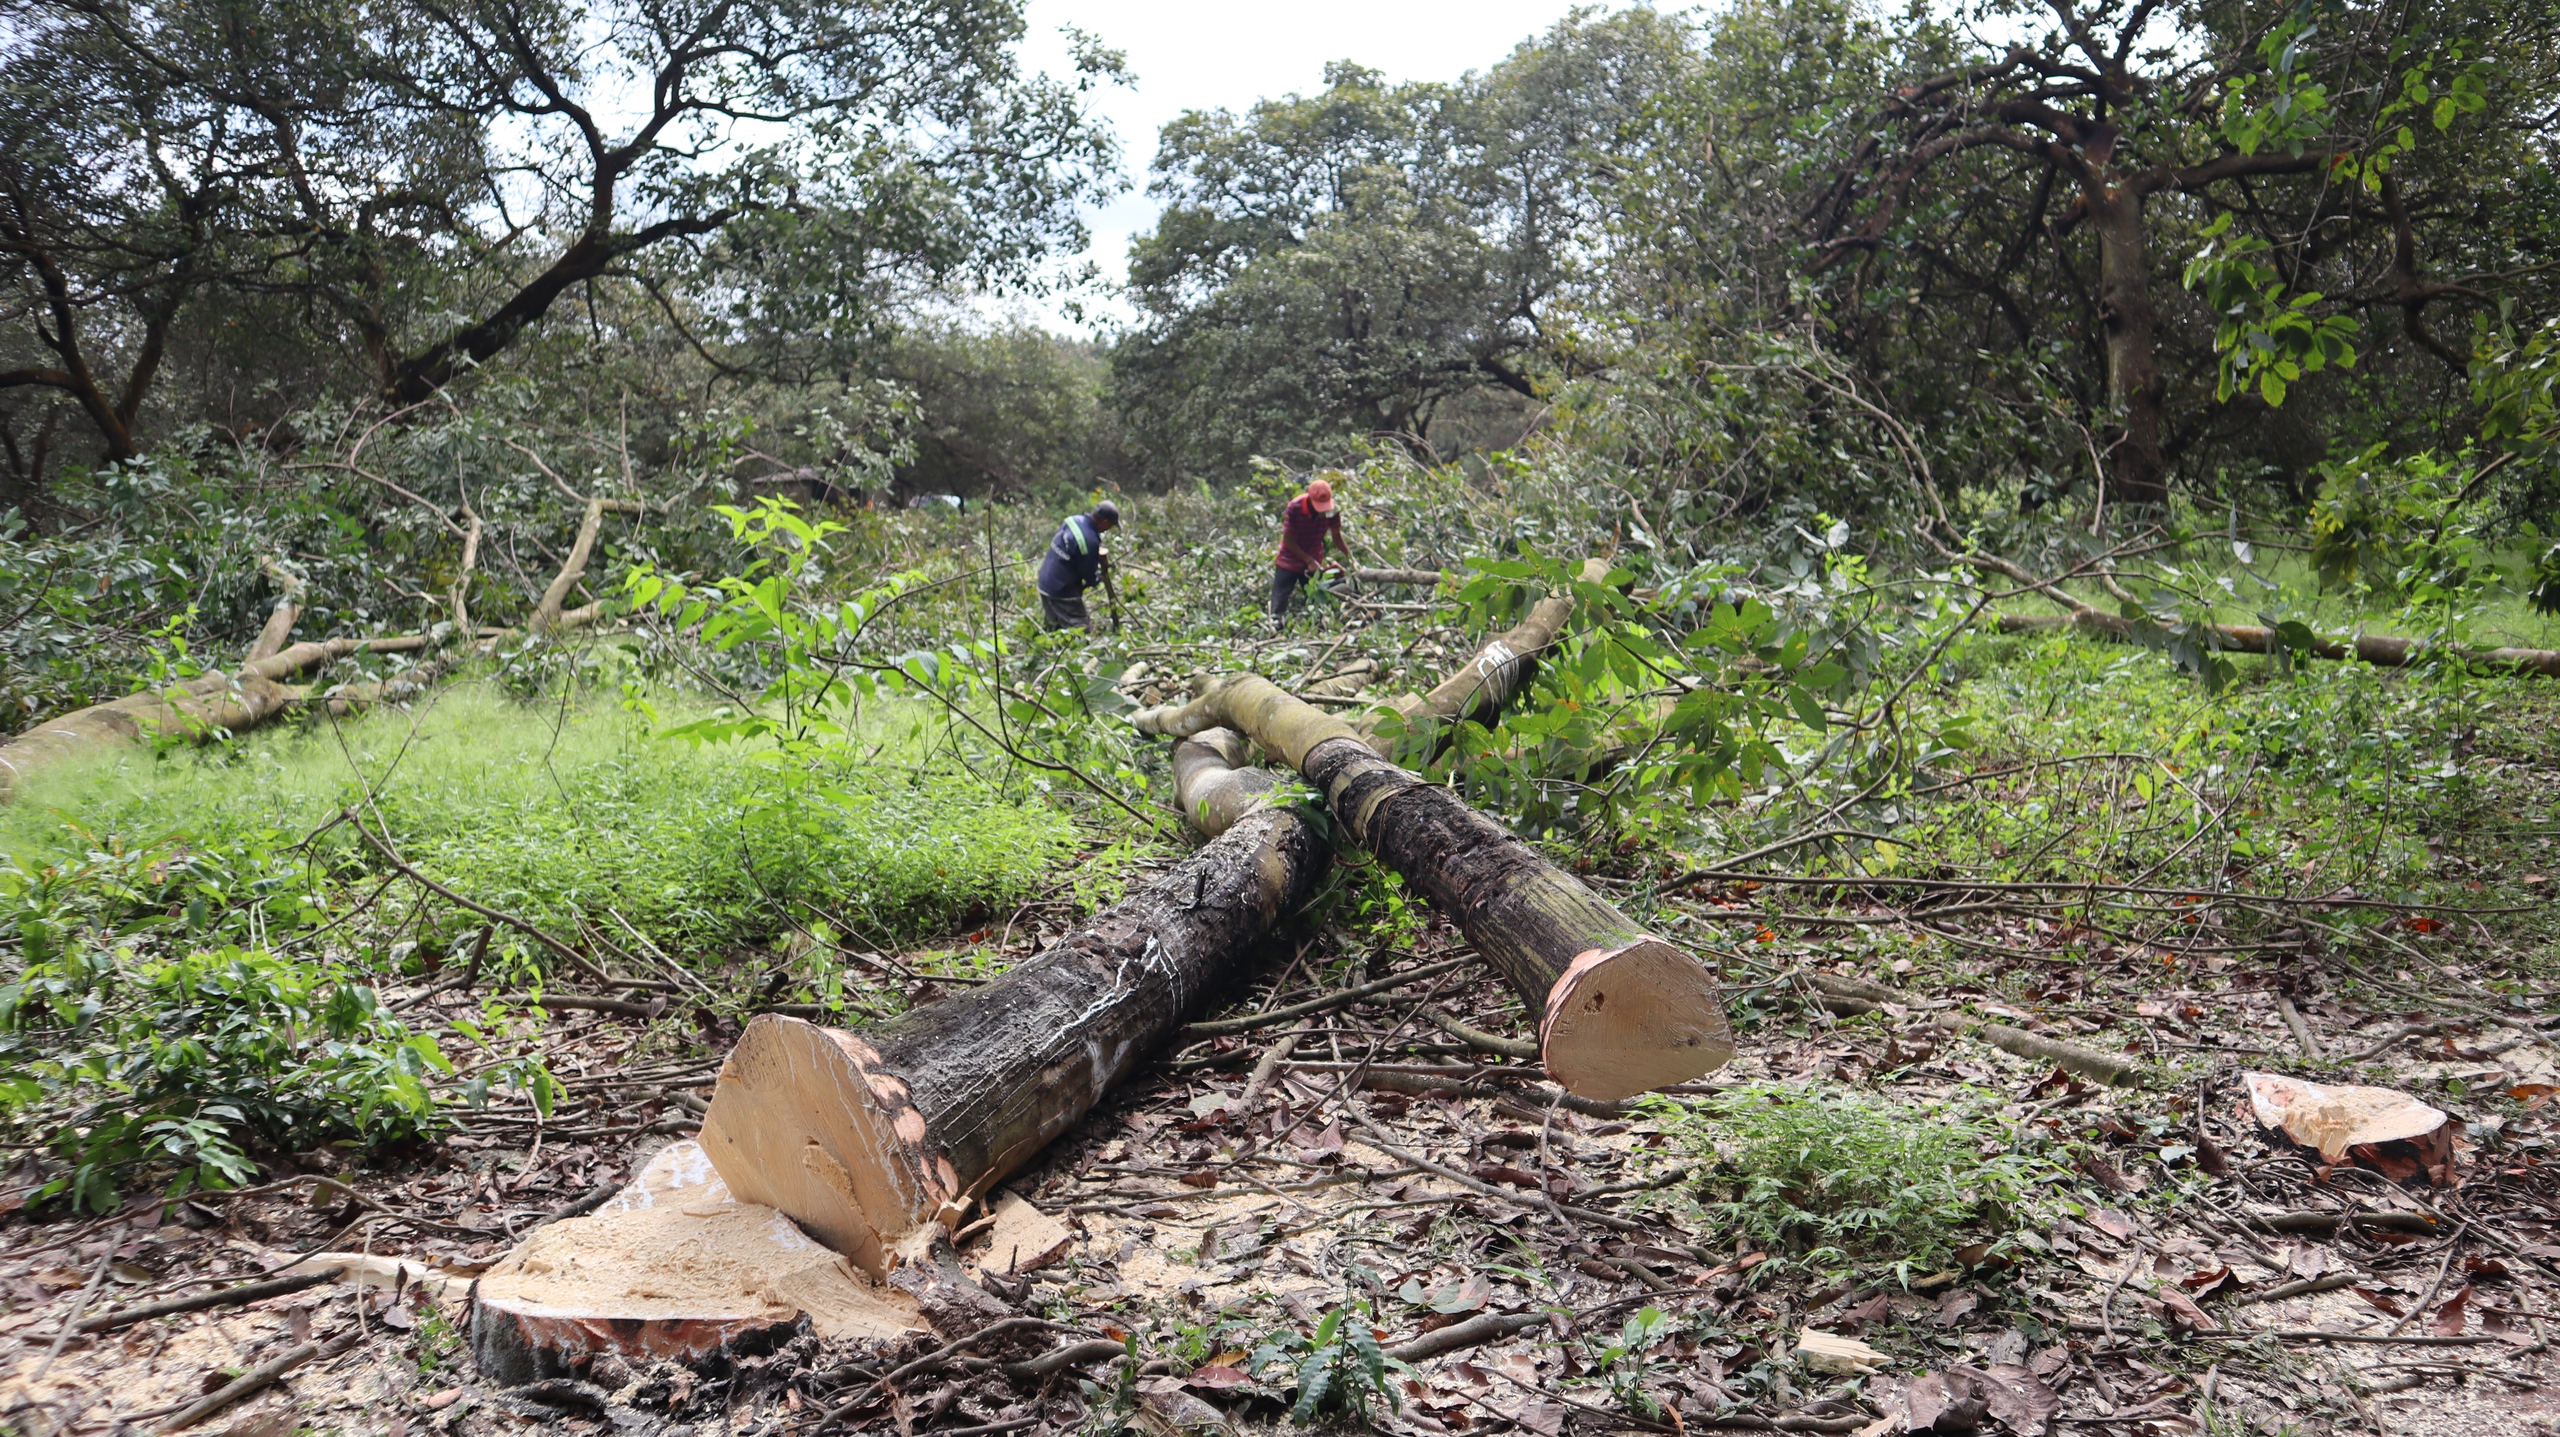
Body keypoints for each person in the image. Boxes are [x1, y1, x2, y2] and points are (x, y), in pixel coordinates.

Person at [1270, 476, 1358, 623]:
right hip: (1289, 560)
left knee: (1316, 601)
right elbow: (1288, 539)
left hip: (1314, 559)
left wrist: (1351, 558)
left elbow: (1336, 536)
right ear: (1309, 499)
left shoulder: (1332, 511)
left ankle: (1315, 628)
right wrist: (1308, 560)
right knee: (1279, 602)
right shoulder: (1295, 507)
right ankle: (1273, 629)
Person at [1036, 499, 1119, 632]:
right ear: (1104, 522)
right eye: (1110, 525)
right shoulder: (1090, 541)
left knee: (1056, 629)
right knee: (1081, 631)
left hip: (1045, 582)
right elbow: (1089, 577)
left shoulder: (1073, 520)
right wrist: (1099, 577)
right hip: (1061, 591)